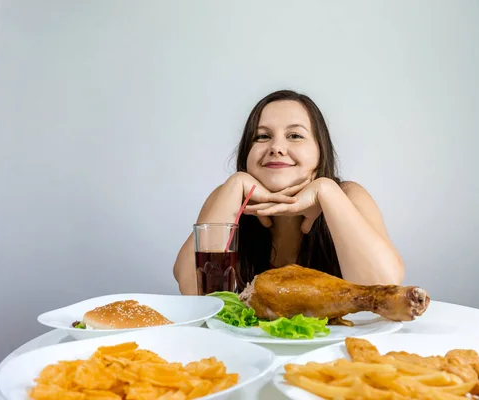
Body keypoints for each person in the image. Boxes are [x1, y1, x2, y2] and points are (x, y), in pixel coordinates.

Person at [173, 89, 404, 295]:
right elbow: (192, 292)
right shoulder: (228, 196)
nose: (276, 148)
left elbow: (384, 289)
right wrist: (235, 184)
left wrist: (326, 191)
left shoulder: (348, 195)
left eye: (295, 136)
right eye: (262, 136)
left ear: (320, 151)